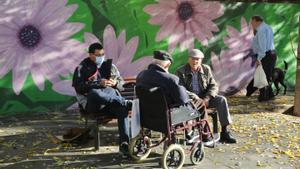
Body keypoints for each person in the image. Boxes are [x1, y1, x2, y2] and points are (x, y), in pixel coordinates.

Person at [72, 43, 131, 157]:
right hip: (93, 105)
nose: (101, 57)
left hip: (111, 103)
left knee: (122, 109)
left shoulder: (110, 66)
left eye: (103, 54)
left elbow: (122, 85)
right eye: (98, 55)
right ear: (90, 55)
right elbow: (79, 87)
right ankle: (124, 102)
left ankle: (124, 145)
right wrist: (98, 83)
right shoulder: (82, 68)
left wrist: (116, 83)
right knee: (94, 92)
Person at [136, 50, 206, 143]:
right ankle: (205, 136)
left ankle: (190, 132)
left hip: (146, 117)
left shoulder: (141, 75)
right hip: (168, 118)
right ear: (167, 65)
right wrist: (193, 98)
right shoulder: (171, 79)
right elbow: (183, 100)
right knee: (200, 104)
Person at [176, 49, 236, 144]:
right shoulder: (181, 71)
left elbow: (213, 85)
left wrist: (207, 98)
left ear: (201, 60)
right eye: (193, 59)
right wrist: (195, 97)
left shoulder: (206, 69)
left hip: (205, 98)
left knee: (222, 100)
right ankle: (196, 133)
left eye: (197, 59)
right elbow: (181, 89)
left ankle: (225, 132)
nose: (195, 61)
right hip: (191, 100)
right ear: (188, 59)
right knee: (195, 105)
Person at [246, 15, 277, 101]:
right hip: (271, 53)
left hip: (265, 55)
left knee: (264, 76)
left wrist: (259, 58)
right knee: (267, 75)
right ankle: (270, 95)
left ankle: (264, 97)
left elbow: (262, 47)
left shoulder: (261, 30)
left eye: (252, 22)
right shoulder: (268, 27)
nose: (251, 24)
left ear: (256, 21)